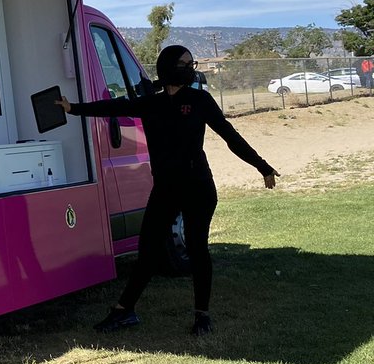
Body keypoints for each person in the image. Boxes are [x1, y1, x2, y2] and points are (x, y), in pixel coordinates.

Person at [58, 45, 279, 335]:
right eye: (186, 63)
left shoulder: (200, 100)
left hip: (198, 187)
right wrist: (73, 109)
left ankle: (202, 316)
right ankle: (124, 312)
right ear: (170, 67)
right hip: (165, 188)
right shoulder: (151, 103)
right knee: (147, 251)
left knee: (197, 248)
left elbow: (230, 137)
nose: (191, 68)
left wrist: (262, 166)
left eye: (191, 63)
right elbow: (113, 107)